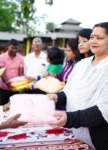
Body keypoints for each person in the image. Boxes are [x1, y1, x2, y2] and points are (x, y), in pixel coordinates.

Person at [48, 22, 108, 150]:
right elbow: (70, 91)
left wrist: (69, 119)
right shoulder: (82, 64)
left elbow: (104, 110)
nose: (93, 41)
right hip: (77, 133)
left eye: (100, 38)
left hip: (101, 137)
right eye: (92, 37)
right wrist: (57, 97)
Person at [0, 39, 24, 105]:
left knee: (15, 106)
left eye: (16, 48)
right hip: (4, 88)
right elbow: (2, 73)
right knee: (4, 106)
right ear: (8, 47)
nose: (14, 50)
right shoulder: (1, 57)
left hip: (16, 88)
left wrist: (19, 84)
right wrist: (8, 83)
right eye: (12, 48)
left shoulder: (20, 58)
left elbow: (21, 73)